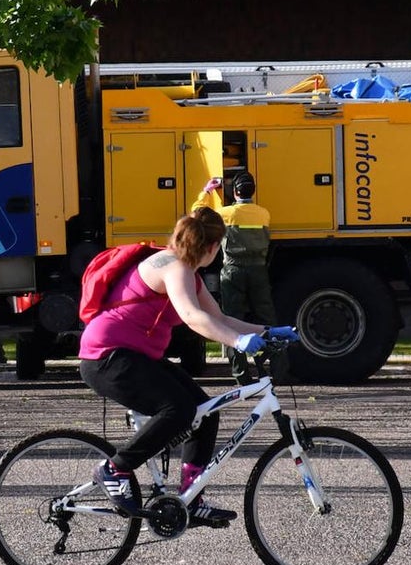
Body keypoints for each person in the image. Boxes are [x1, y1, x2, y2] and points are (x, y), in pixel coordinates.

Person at [79, 206, 298, 526]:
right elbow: (194, 318)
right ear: (211, 247)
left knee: (203, 411)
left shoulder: (186, 272)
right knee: (177, 409)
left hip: (133, 357)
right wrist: (237, 343)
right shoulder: (174, 267)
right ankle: (115, 469)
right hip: (107, 357)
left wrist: (266, 332)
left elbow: (219, 318)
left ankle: (191, 499)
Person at [192, 172, 290, 385]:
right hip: (258, 271)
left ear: (234, 192)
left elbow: (198, 213)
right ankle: (278, 372)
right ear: (252, 191)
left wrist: (207, 191)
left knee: (231, 320)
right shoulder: (264, 214)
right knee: (267, 320)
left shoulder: (225, 214)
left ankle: (241, 375)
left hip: (233, 272)